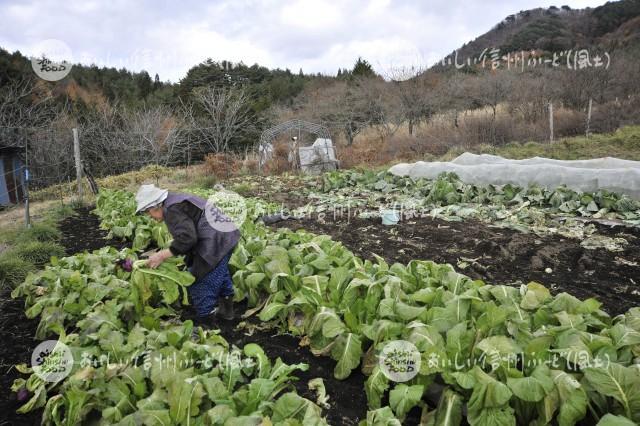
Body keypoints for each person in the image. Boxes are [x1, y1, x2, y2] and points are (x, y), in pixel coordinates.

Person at [135, 184, 240, 326]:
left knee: (199, 282)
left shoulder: (171, 209)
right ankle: (227, 313)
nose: (149, 217)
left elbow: (188, 238)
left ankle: (206, 326)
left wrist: (161, 255)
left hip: (215, 242)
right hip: (227, 235)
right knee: (220, 275)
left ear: (155, 206)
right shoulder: (174, 199)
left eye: (148, 212)